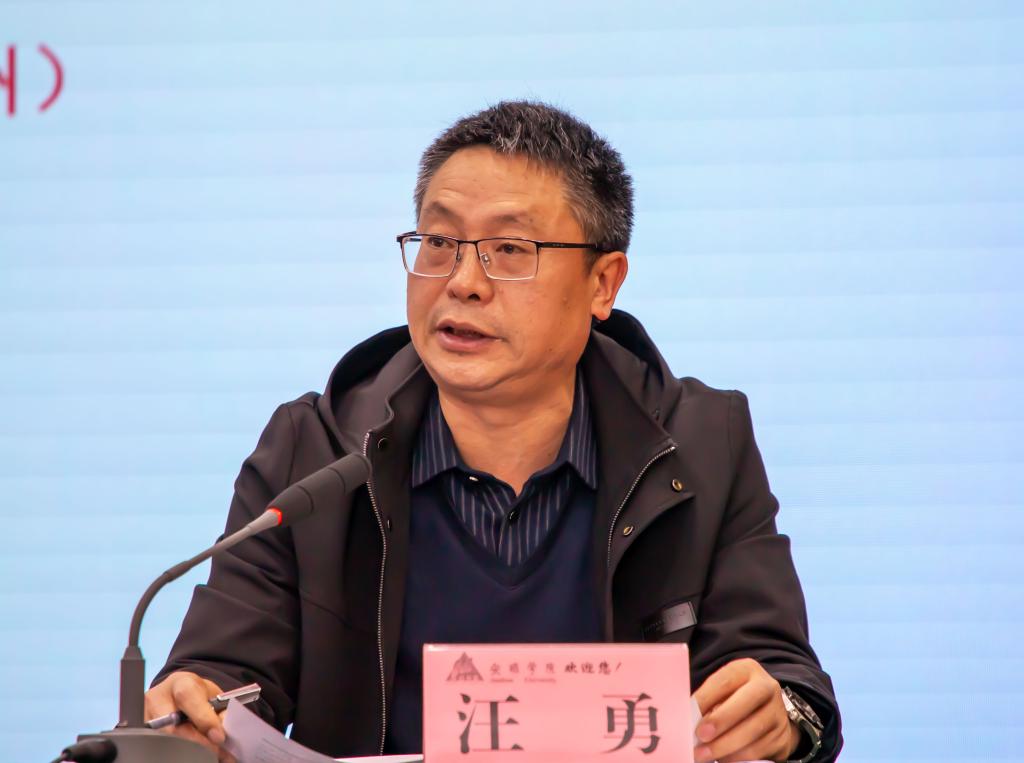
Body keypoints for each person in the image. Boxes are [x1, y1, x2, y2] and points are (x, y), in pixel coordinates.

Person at [145, 100, 842, 763]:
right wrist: (194, 710)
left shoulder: (704, 442)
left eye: (510, 248)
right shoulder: (315, 450)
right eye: (440, 241)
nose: (463, 282)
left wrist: (779, 715)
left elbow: (784, 677)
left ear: (603, 283)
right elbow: (226, 674)